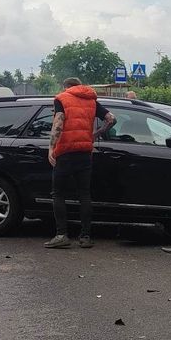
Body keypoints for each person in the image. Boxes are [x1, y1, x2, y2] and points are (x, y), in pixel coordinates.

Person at [44, 77, 116, 249]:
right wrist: (95, 135)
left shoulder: (61, 98)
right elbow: (111, 119)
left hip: (65, 152)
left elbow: (58, 122)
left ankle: (62, 235)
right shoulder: (91, 100)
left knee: (58, 193)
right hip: (84, 152)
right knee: (84, 194)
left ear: (67, 86)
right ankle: (85, 236)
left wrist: (51, 148)